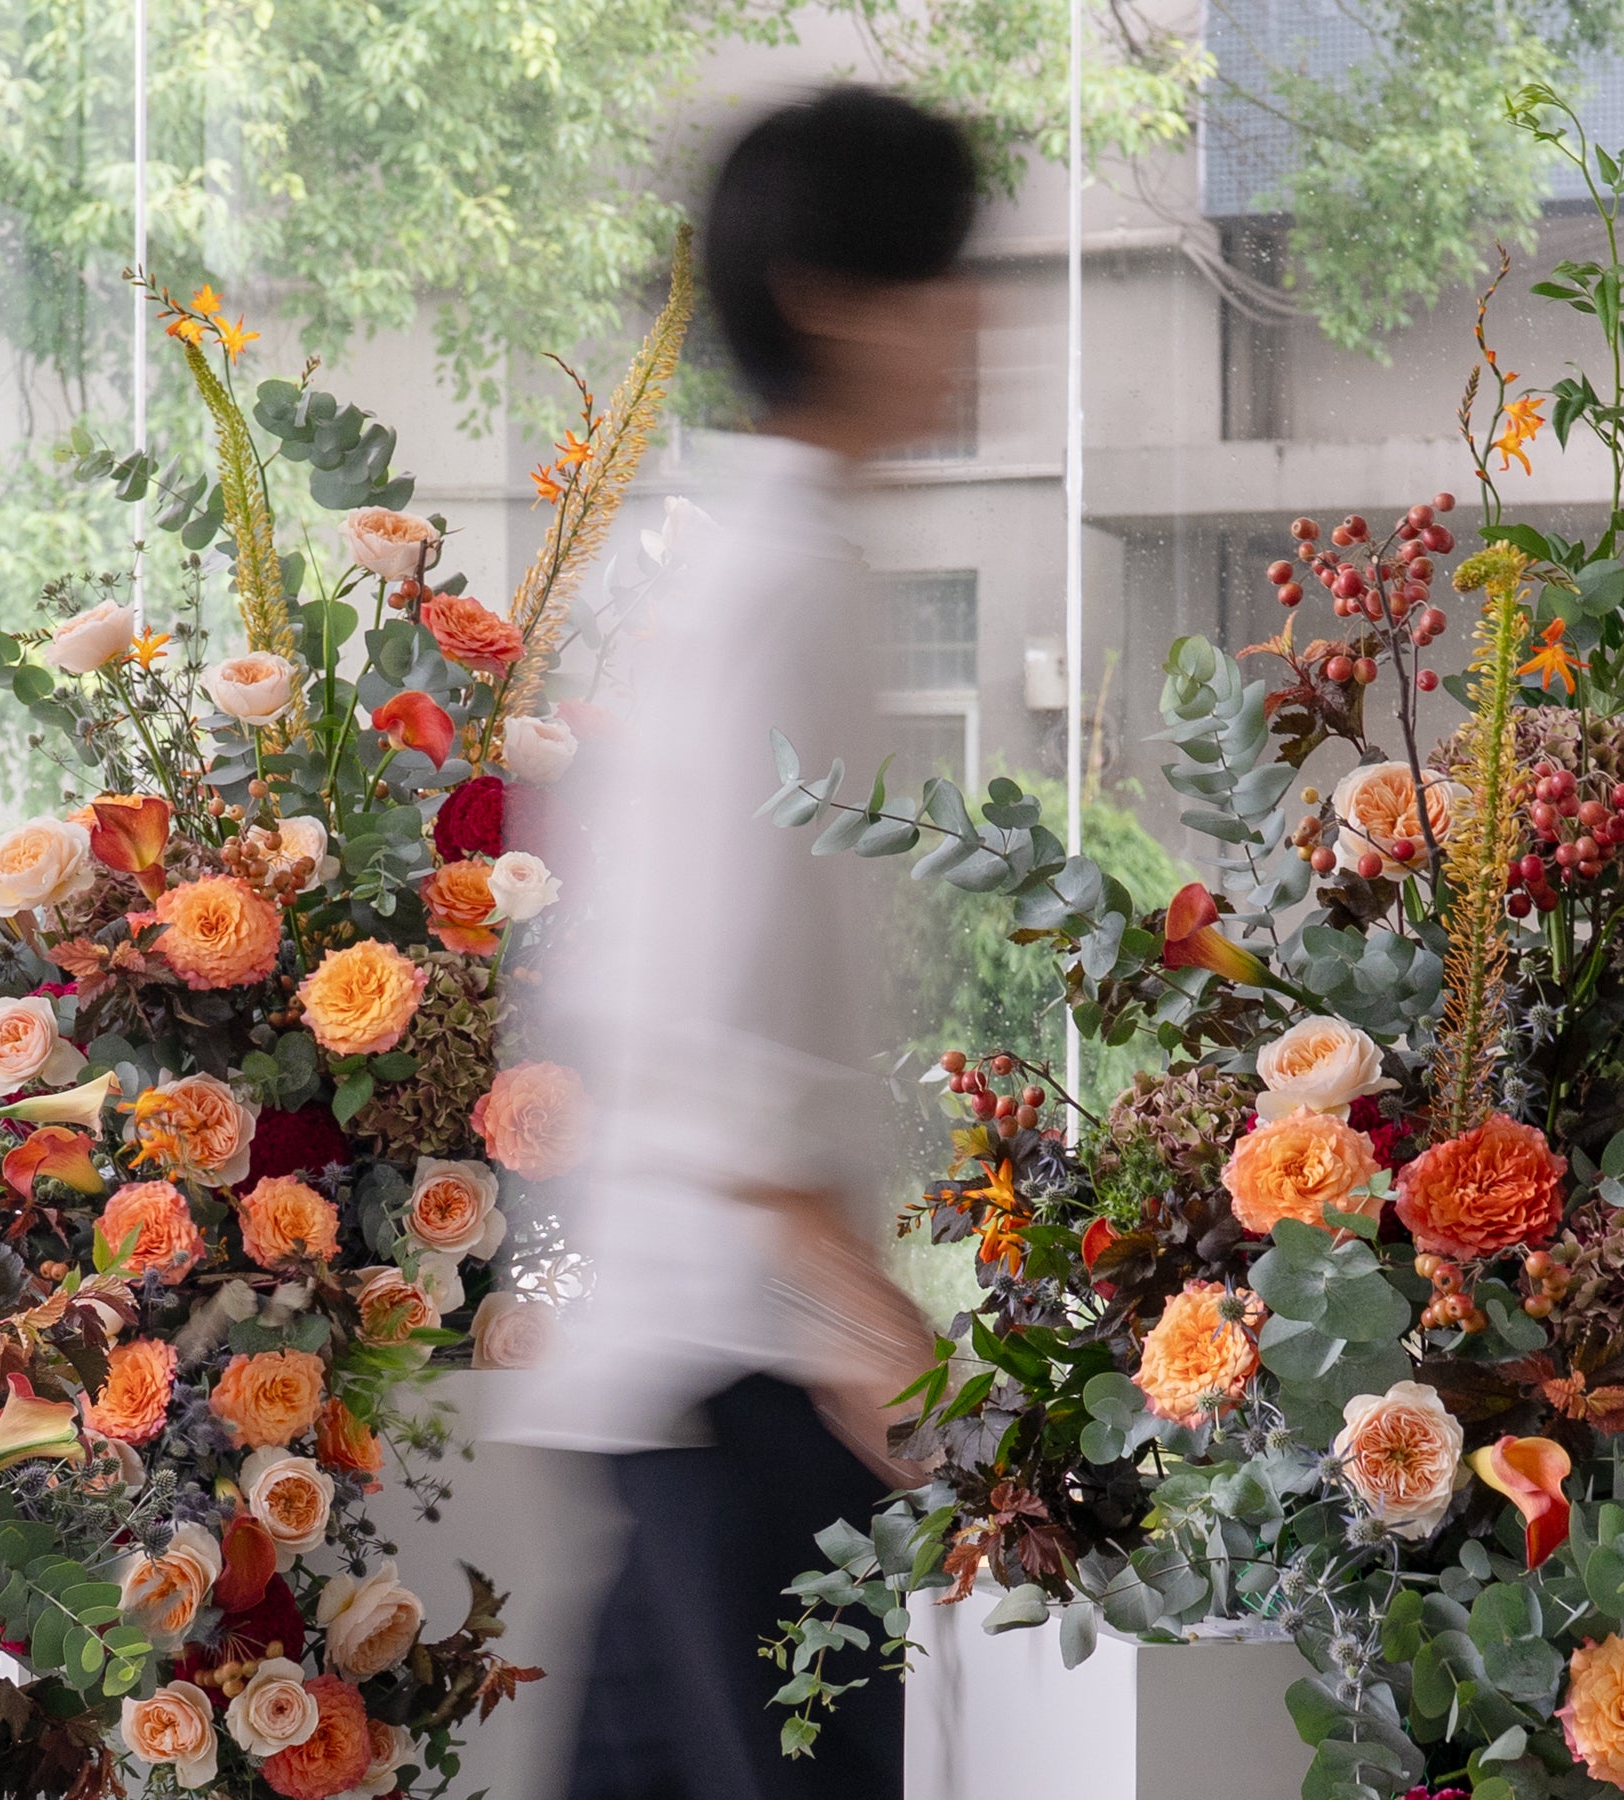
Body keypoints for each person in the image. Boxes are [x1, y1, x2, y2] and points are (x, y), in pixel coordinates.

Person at [511, 86, 984, 1800]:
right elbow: (695, 1004)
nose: (980, 320)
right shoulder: (779, 584)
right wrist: (868, 1329)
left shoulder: (745, 566)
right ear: (830, 301)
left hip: (699, 1372)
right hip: (745, 1379)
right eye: (947, 277)